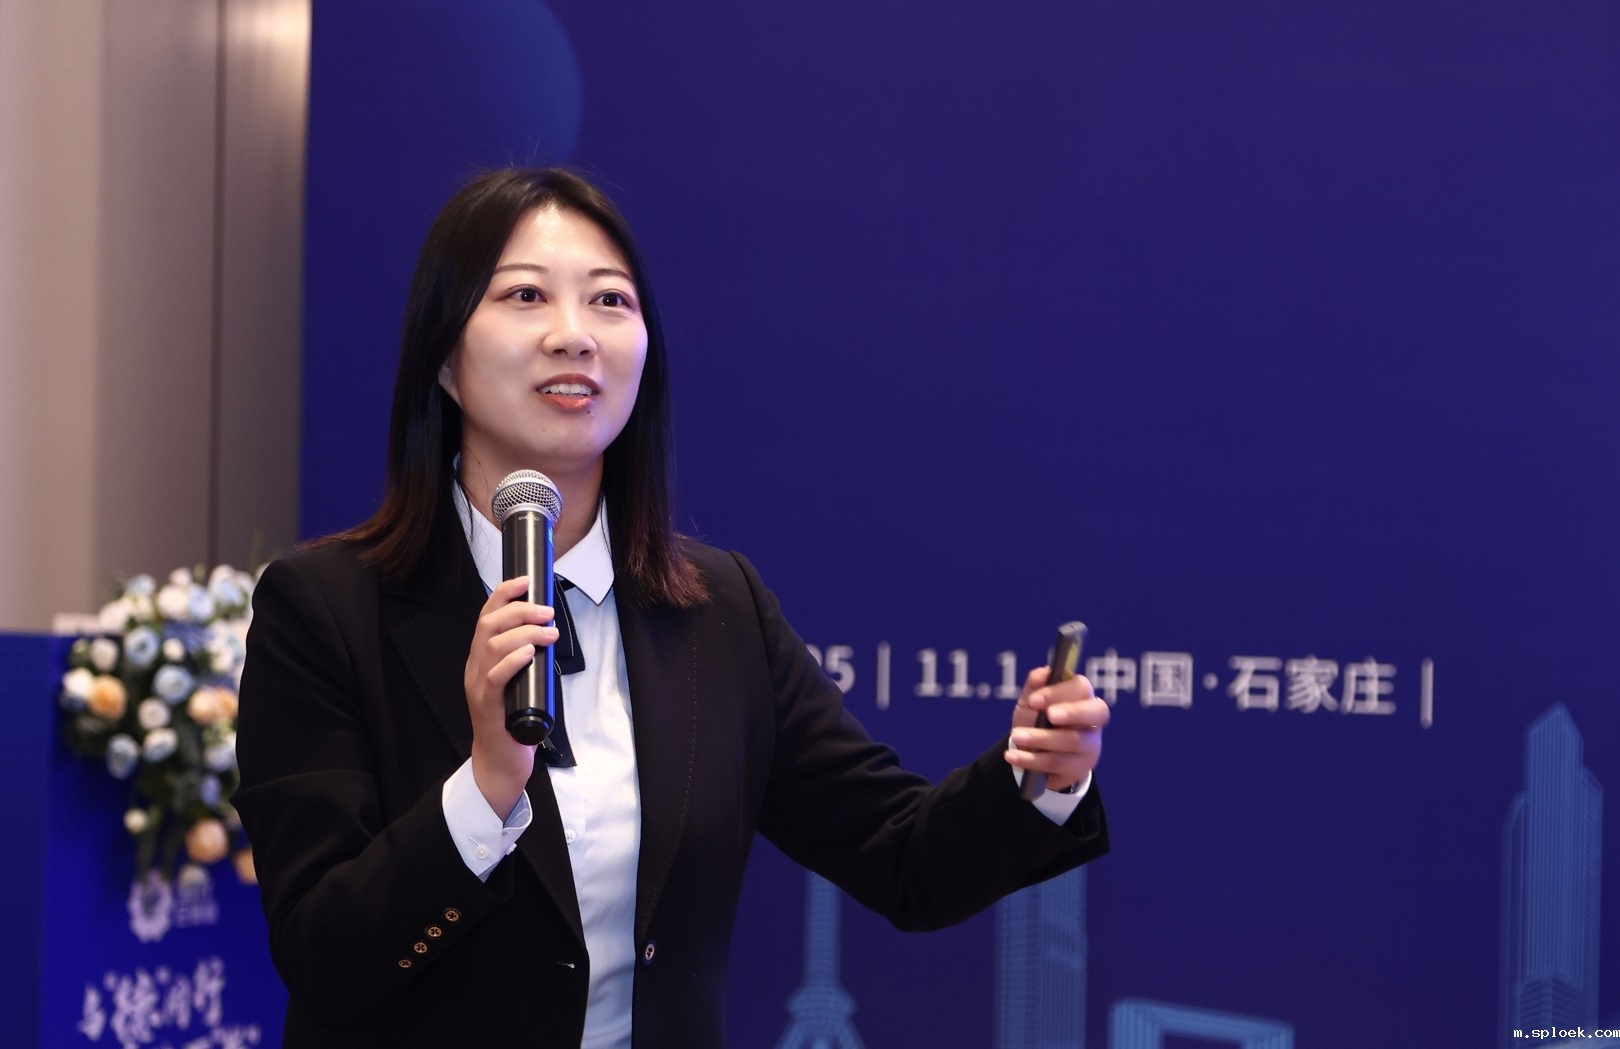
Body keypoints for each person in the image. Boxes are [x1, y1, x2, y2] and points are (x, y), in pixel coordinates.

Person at [235, 167, 1110, 1048]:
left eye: (609, 301)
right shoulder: (326, 610)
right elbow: (323, 956)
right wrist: (486, 786)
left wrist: (1041, 778)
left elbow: (902, 857)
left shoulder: (719, 611)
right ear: (442, 358)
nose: (574, 336)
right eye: (526, 296)